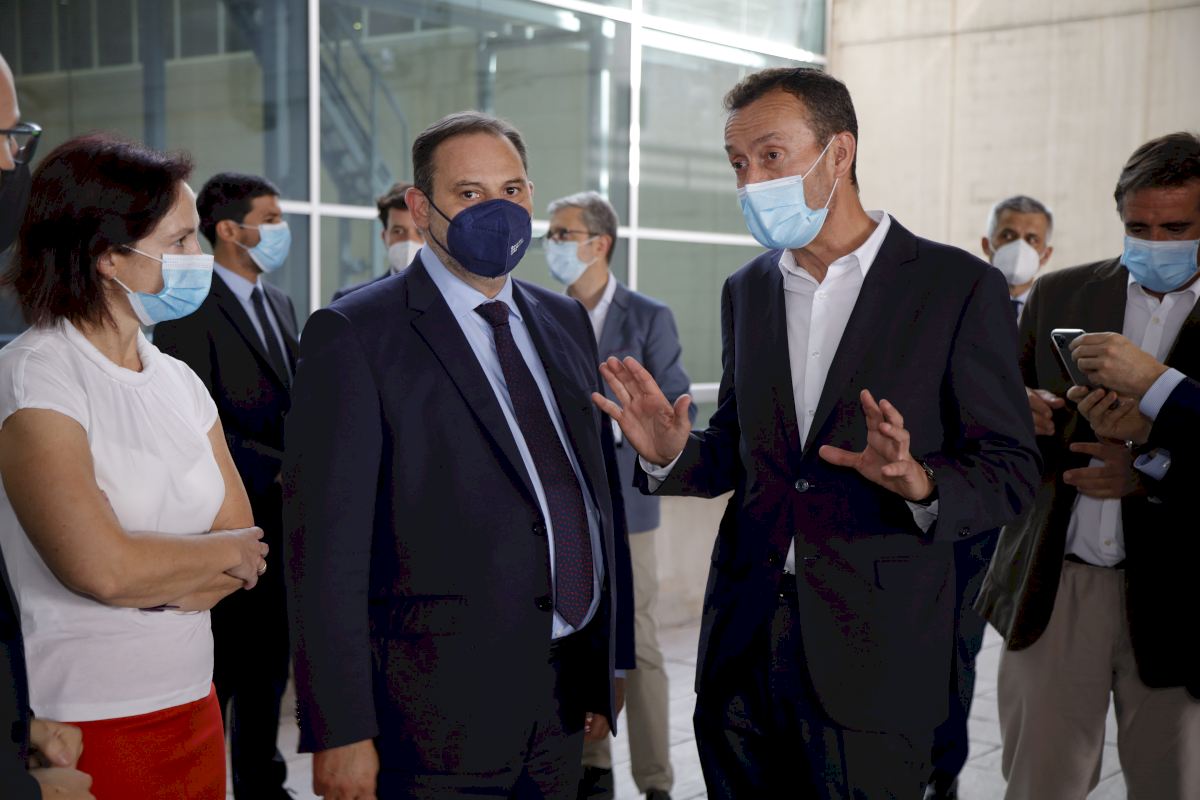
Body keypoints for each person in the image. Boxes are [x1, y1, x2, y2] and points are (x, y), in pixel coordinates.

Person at [592, 66, 1041, 799]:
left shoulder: (957, 287)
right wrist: (673, 454)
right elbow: (740, 448)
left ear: (839, 153)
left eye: (771, 156)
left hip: (877, 653)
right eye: (738, 163)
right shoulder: (748, 289)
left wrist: (921, 482)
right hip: (743, 648)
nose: (750, 181)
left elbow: (1012, 470)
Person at [285, 111, 635, 800]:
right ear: (421, 208)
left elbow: (593, 498)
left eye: (512, 190)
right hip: (431, 717)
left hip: (561, 698)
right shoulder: (354, 333)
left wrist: (606, 664)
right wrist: (340, 728)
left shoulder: (564, 320)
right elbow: (324, 550)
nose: (496, 211)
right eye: (469, 193)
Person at [0, 132, 269, 800]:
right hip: (82, 722)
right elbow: (101, 569)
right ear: (106, 256)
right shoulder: (35, 376)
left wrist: (148, 575)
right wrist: (202, 561)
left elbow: (247, 545)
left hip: (192, 701)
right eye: (179, 241)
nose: (200, 257)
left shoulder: (178, 380)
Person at [976, 131, 1200, 799]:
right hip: (1056, 584)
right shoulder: (1060, 294)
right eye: (1138, 227)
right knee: (1039, 784)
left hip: (1181, 600)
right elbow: (996, 422)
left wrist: (1149, 469)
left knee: (1174, 784)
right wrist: (1016, 413)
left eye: (1176, 228)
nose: (1155, 243)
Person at [153, 172, 298, 799]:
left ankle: (264, 783)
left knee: (269, 663)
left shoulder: (280, 303)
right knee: (226, 669)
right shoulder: (192, 307)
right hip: (225, 519)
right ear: (230, 230)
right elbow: (194, 420)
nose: (282, 229)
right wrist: (276, 467)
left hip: (284, 519)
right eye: (271, 218)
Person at [545, 191, 690, 800]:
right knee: (578, 633)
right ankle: (591, 763)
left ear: (598, 243)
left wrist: (621, 424)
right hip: (564, 506)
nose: (551, 244)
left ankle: (655, 779)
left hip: (629, 504)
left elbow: (674, 400)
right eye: (551, 234)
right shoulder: (541, 311)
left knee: (639, 640)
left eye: (562, 234)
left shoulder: (648, 315)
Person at [0, 51, 95, 800]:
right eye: (4, 137)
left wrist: (14, 727)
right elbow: (101, 565)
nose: (12, 164)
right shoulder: (31, 369)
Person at [332, 181, 425, 301]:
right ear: (384, 237)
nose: (409, 240)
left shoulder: (447, 298)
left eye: (420, 232)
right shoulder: (348, 300)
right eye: (398, 231)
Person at [981, 194, 1054, 321]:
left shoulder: (1058, 311)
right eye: (1008, 236)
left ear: (1046, 255)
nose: (1020, 246)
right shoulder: (960, 304)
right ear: (986, 245)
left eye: (1032, 239)